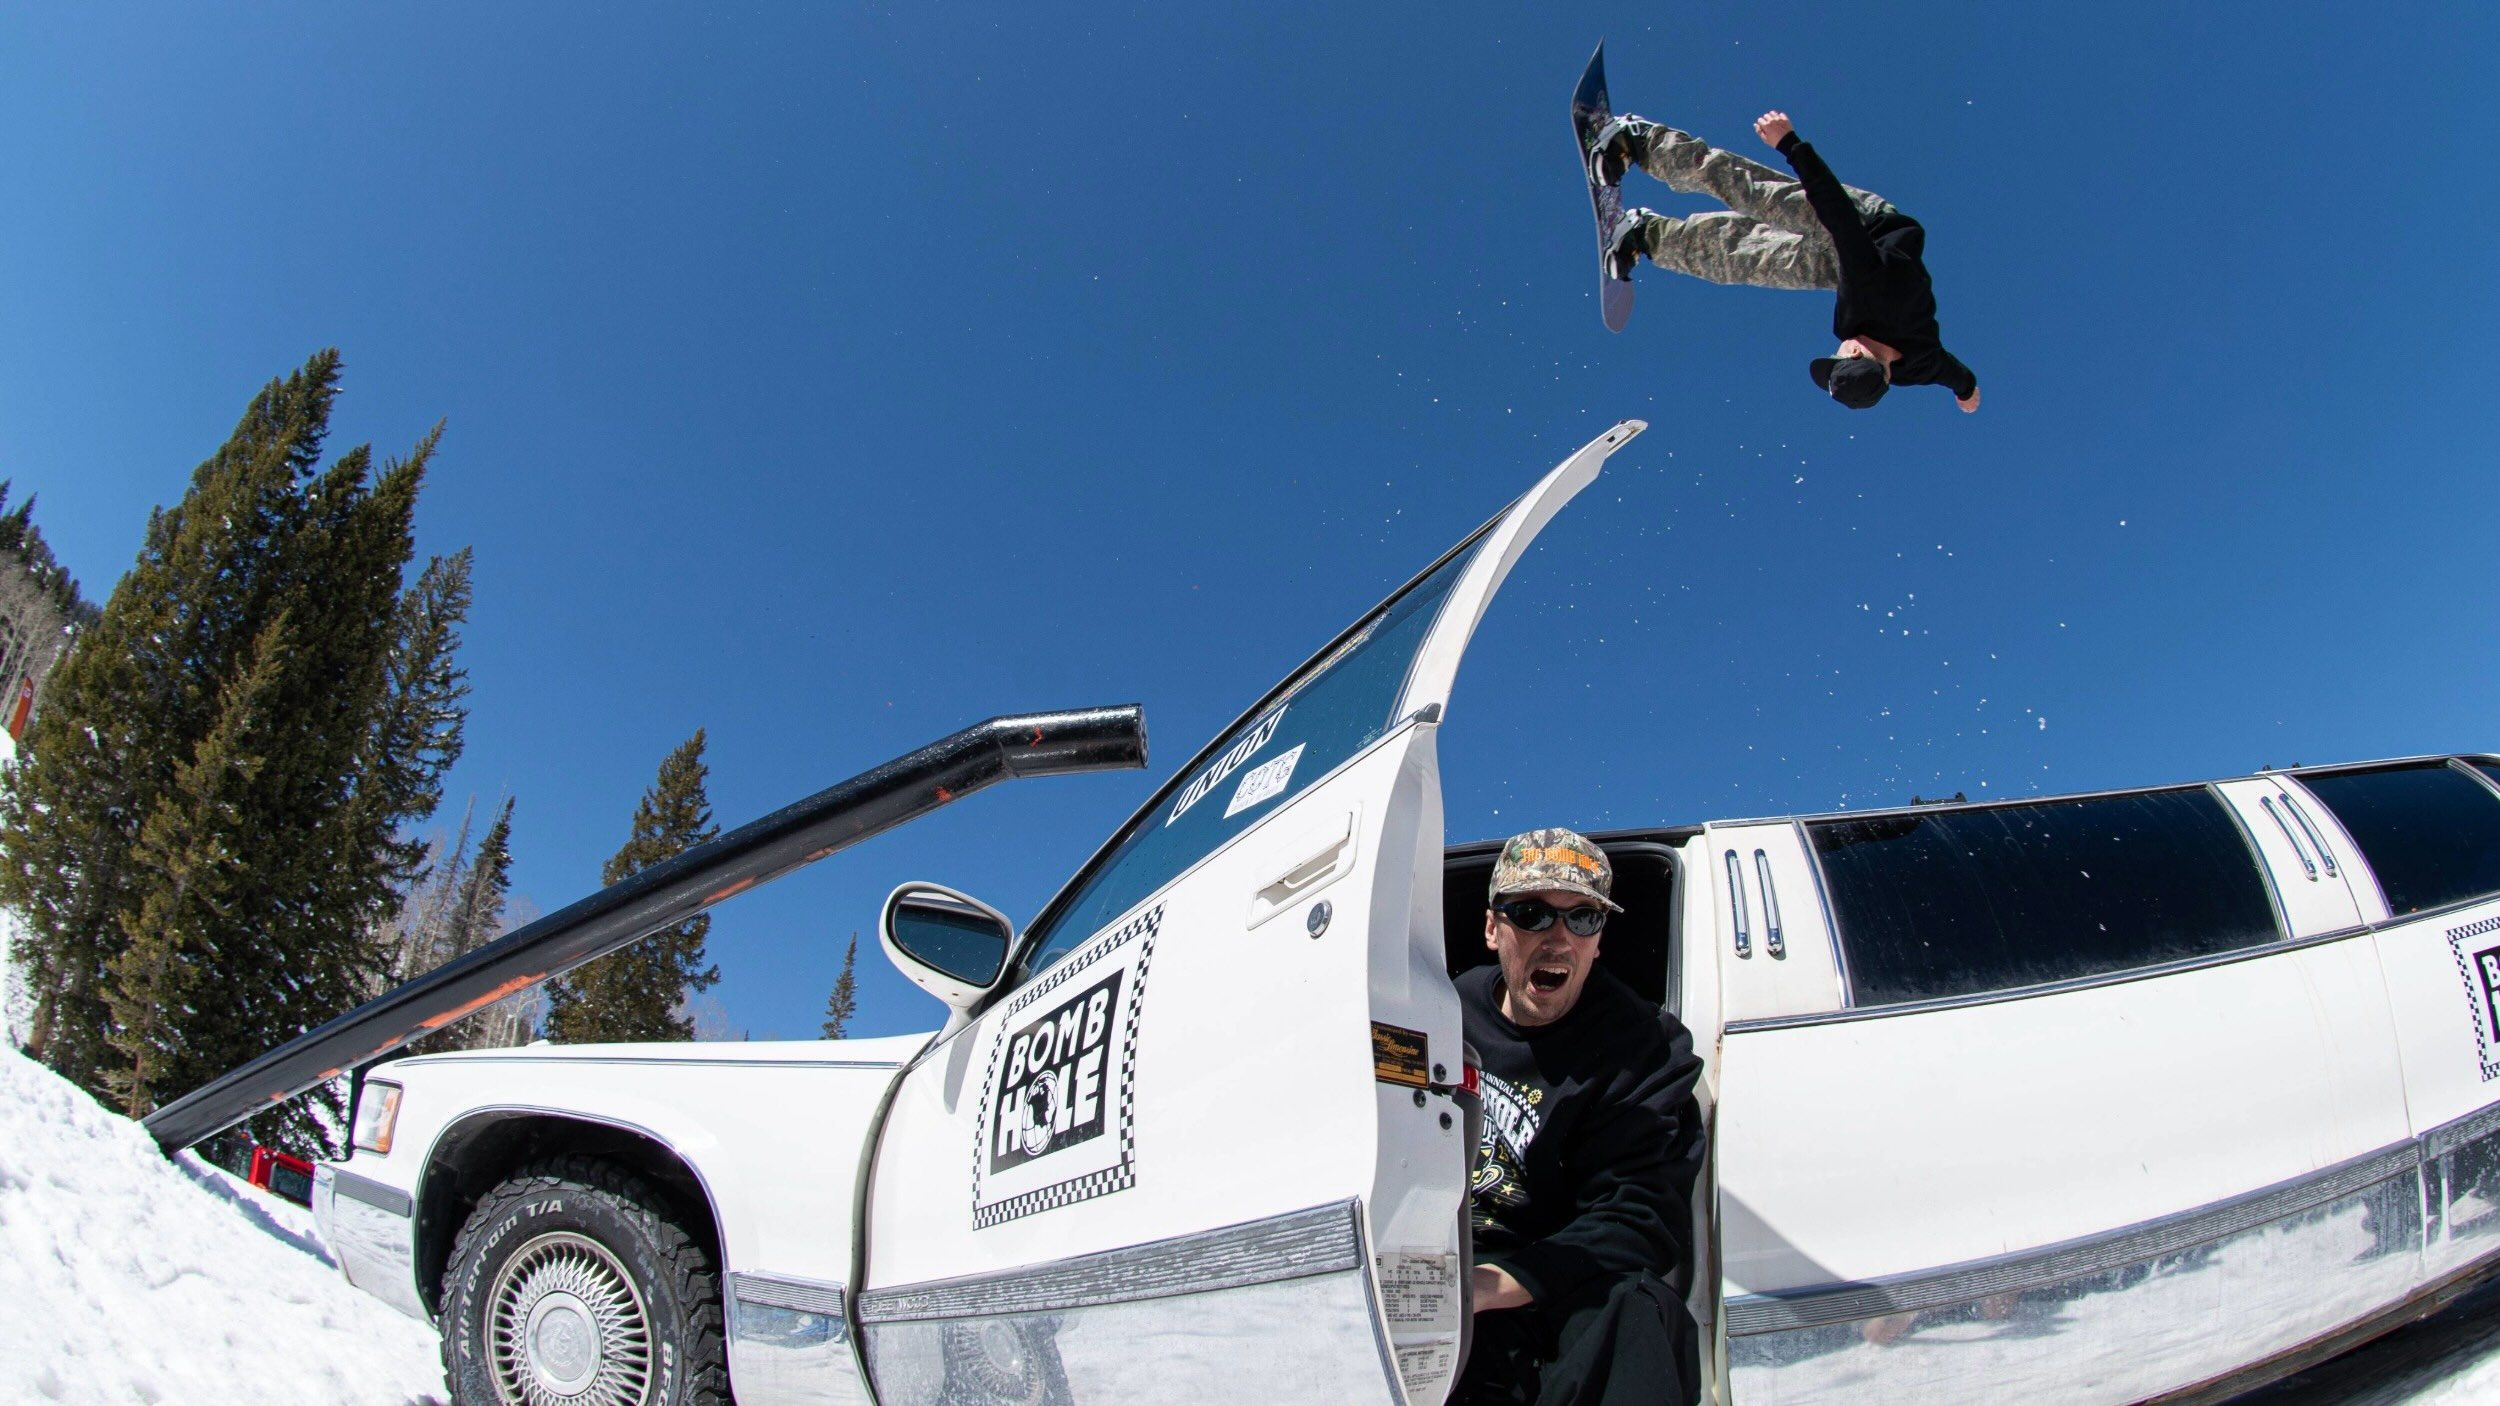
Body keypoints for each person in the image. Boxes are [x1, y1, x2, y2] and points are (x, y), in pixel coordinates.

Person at [1453, 827, 1706, 1406]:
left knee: (1635, 1310)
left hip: (1567, 1275)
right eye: (1532, 914)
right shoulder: (1440, 1016)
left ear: (1598, 940)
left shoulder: (1643, 1048)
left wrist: (1495, 1286)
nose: (1559, 939)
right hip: (1450, 1266)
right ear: (1493, 929)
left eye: (1582, 918)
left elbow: (1639, 1215)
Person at [1586, 109, 1979, 413]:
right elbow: (1839, 216)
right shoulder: (1876, 289)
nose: (1838, 347)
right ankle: (1640, 140)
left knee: (1750, 259)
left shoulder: (1916, 367)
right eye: (1839, 354)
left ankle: (1644, 235)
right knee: (1754, 192)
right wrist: (1790, 143)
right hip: (1864, 225)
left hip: (1844, 267)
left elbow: (1955, 373)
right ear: (1858, 353)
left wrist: (1967, 393)